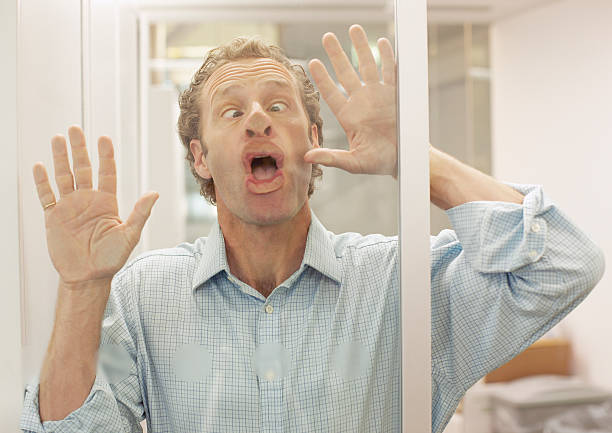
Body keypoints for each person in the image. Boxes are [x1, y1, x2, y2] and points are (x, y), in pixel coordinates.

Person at [21, 25, 604, 433]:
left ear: (313, 143)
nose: (257, 119)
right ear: (199, 158)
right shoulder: (144, 296)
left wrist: (413, 158)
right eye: (232, 110)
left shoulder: (401, 284)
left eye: (278, 107)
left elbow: (561, 264)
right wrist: (80, 289)